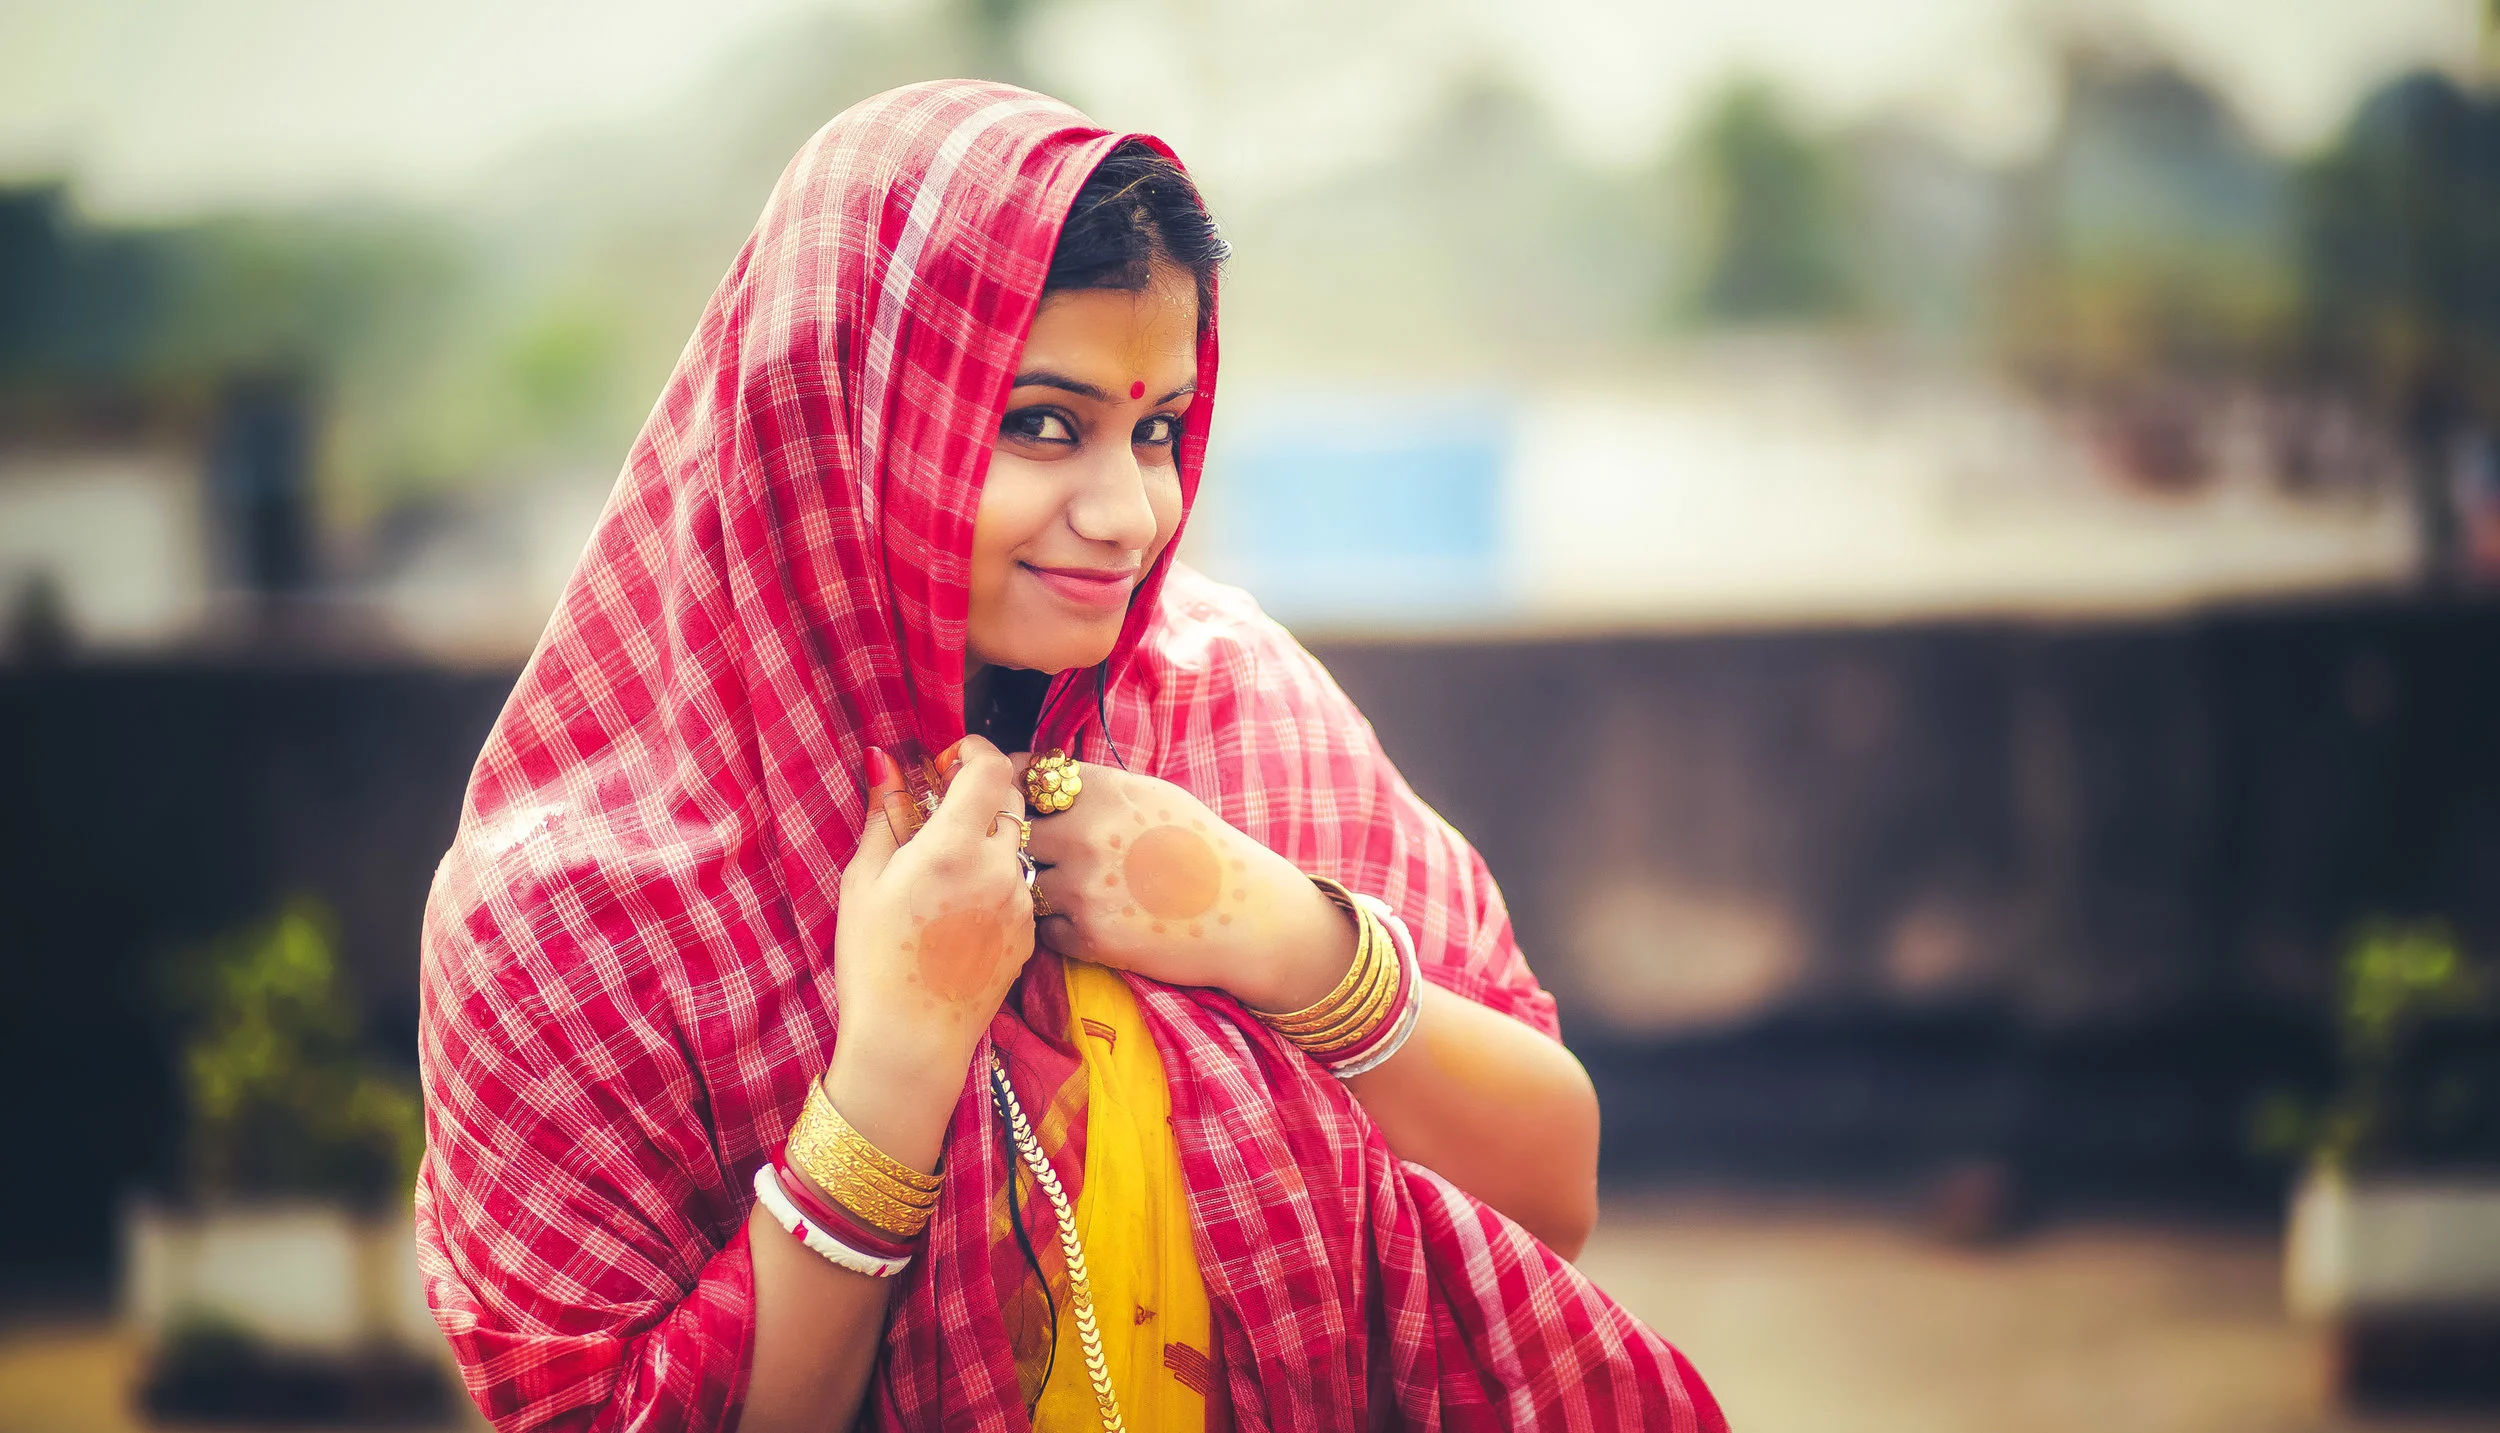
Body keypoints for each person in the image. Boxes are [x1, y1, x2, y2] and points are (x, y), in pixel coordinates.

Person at [415, 79, 1725, 1433]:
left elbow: (1551, 1196)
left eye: (1158, 429)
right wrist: (896, 1070)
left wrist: (1272, 929)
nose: (1131, 513)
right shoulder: (575, 913)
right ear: (844, 419)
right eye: (1044, 423)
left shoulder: (1230, 703)